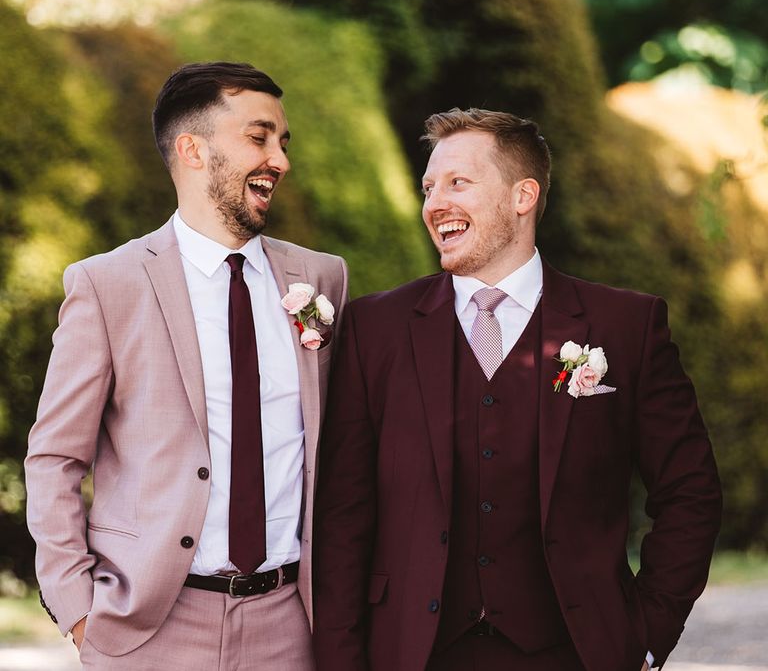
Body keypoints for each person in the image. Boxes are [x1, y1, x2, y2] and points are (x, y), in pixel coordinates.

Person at [312, 108, 721, 671]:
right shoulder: (374, 329)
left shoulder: (625, 326)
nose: (434, 204)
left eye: (458, 182)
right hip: (413, 654)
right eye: (428, 187)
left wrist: (646, 635)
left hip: (575, 653)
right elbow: (341, 514)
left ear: (522, 195)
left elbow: (690, 492)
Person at [25, 61, 348, 670]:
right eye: (258, 138)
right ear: (192, 150)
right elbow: (54, 459)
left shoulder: (322, 279)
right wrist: (78, 610)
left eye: (282, 142)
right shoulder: (107, 284)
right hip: (150, 628)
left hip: (291, 624)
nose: (279, 160)